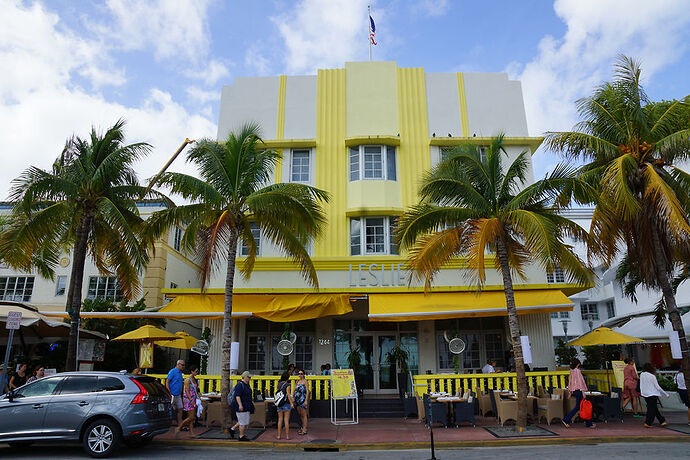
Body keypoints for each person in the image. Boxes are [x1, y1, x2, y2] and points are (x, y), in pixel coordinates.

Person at [562, 358, 595, 428]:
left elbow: (570, 382)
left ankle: (588, 423)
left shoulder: (572, 371)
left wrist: (570, 392)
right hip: (580, 390)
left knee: (580, 406)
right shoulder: (577, 371)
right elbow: (581, 382)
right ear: (577, 364)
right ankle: (566, 419)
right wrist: (583, 391)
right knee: (582, 406)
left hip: (575, 391)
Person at [640, 363, 669, 428]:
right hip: (653, 394)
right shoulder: (652, 376)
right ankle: (648, 422)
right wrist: (665, 393)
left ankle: (662, 421)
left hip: (646, 394)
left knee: (654, 408)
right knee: (651, 409)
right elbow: (657, 387)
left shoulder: (642, 374)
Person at [231, 371, 254, 441]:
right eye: (248, 377)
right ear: (245, 377)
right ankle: (241, 436)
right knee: (242, 422)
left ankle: (232, 429)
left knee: (243, 420)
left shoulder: (247, 385)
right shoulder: (240, 385)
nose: (249, 378)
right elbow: (237, 396)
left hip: (247, 405)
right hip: (242, 405)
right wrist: (240, 405)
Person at [177, 367, 200, 436]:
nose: (197, 373)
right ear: (191, 371)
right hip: (188, 399)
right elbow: (186, 391)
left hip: (193, 398)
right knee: (191, 417)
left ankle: (191, 432)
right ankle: (179, 427)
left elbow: (196, 390)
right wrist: (191, 400)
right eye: (195, 371)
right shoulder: (188, 380)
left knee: (191, 417)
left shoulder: (194, 379)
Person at [275, 371, 294, 440]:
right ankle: (287, 436)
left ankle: (279, 435)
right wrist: (292, 403)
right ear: (287, 378)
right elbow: (288, 395)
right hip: (286, 403)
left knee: (280, 419)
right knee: (286, 420)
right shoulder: (287, 385)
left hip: (279, 403)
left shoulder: (279, 384)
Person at [166, 359, 185, 427]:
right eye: (182, 365)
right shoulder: (172, 372)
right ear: (178, 364)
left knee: (180, 409)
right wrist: (169, 392)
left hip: (178, 394)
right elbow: (167, 381)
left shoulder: (180, 373)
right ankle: (168, 423)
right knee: (169, 409)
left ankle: (180, 424)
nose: (183, 366)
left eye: (183, 365)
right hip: (172, 394)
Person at [292, 369, 310, 435]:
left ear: (303, 374)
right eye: (299, 374)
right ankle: (302, 427)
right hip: (297, 400)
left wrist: (306, 401)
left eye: (301, 373)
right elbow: (294, 390)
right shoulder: (297, 381)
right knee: (300, 415)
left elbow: (307, 392)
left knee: (304, 415)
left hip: (302, 399)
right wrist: (293, 397)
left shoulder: (305, 381)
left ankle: (305, 429)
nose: (300, 375)